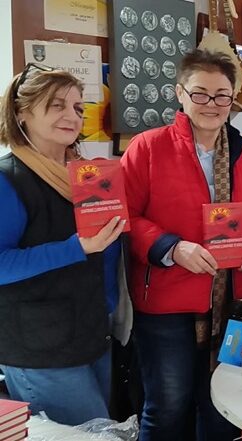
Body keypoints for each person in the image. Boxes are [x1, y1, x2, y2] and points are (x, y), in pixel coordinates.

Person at [121, 49, 242, 440]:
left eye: (222, 95)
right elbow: (127, 218)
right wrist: (173, 249)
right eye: (200, 93)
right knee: (168, 407)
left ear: (234, 99)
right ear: (180, 93)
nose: (212, 104)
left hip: (235, 303)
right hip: (167, 303)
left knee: (225, 409)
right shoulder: (147, 147)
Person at [0, 64, 125, 425]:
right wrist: (76, 247)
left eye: (78, 109)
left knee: (99, 429)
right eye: (57, 106)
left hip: (89, 332)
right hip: (39, 347)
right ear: (22, 113)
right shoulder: (9, 179)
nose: (72, 116)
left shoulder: (86, 177)